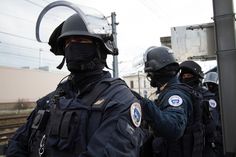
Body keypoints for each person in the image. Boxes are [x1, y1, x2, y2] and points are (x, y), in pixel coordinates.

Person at [6, 13, 144, 157]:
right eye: (67, 42)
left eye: (79, 40)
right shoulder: (52, 99)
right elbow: (17, 143)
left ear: (99, 47)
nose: (71, 46)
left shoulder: (120, 100)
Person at [136, 46, 195, 157]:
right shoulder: (166, 92)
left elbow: (174, 128)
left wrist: (144, 104)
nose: (149, 76)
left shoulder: (175, 95)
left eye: (150, 73)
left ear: (157, 72)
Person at [179, 61, 223, 157]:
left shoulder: (207, 97)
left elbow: (212, 125)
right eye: (184, 76)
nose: (186, 78)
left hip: (204, 146)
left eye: (189, 75)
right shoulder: (180, 96)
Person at [203, 72, 223, 157]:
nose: (210, 87)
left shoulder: (221, 96)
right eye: (208, 85)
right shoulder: (206, 97)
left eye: (212, 85)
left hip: (220, 130)